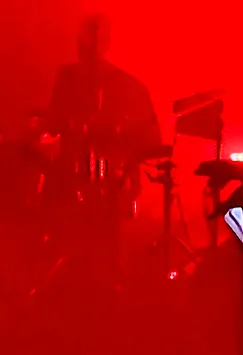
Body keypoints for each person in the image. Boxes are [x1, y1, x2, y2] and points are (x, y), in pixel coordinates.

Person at [41, 14, 161, 292]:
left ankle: (103, 289)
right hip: (73, 180)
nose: (89, 43)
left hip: (110, 184)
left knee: (105, 248)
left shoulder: (127, 85)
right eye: (87, 36)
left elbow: (148, 136)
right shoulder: (68, 78)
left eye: (96, 36)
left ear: (106, 42)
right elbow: (54, 121)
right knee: (76, 243)